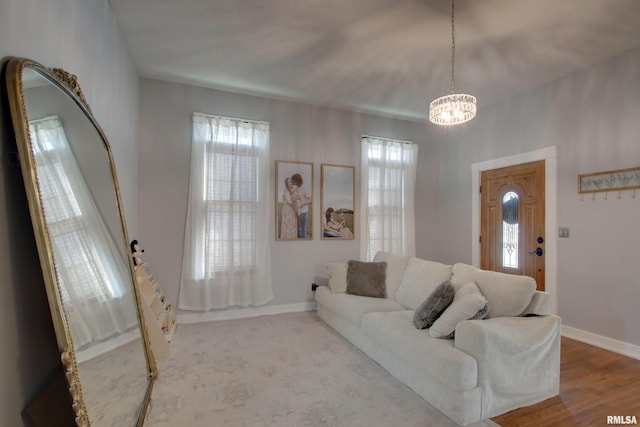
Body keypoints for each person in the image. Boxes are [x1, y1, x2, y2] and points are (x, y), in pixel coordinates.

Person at [290, 173, 312, 238]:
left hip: (302, 212)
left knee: (301, 230)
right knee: (297, 231)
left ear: (297, 181)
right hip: (296, 211)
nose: (291, 181)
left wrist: (301, 204)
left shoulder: (305, 188)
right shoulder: (296, 188)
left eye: (292, 180)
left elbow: (311, 200)